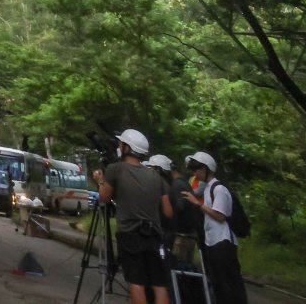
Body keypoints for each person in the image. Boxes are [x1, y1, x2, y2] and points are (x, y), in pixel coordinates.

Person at [93, 128, 176, 304]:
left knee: (136, 283)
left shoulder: (115, 169)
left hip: (130, 234)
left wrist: (100, 180)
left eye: (121, 144)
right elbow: (168, 211)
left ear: (126, 147)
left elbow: (104, 198)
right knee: (159, 285)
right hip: (155, 235)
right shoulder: (155, 175)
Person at [183, 151, 247, 304]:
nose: (195, 172)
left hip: (223, 242)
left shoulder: (219, 189)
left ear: (206, 169)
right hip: (212, 241)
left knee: (228, 282)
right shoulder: (208, 188)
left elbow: (220, 215)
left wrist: (198, 203)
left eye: (197, 168)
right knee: (218, 281)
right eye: (193, 169)